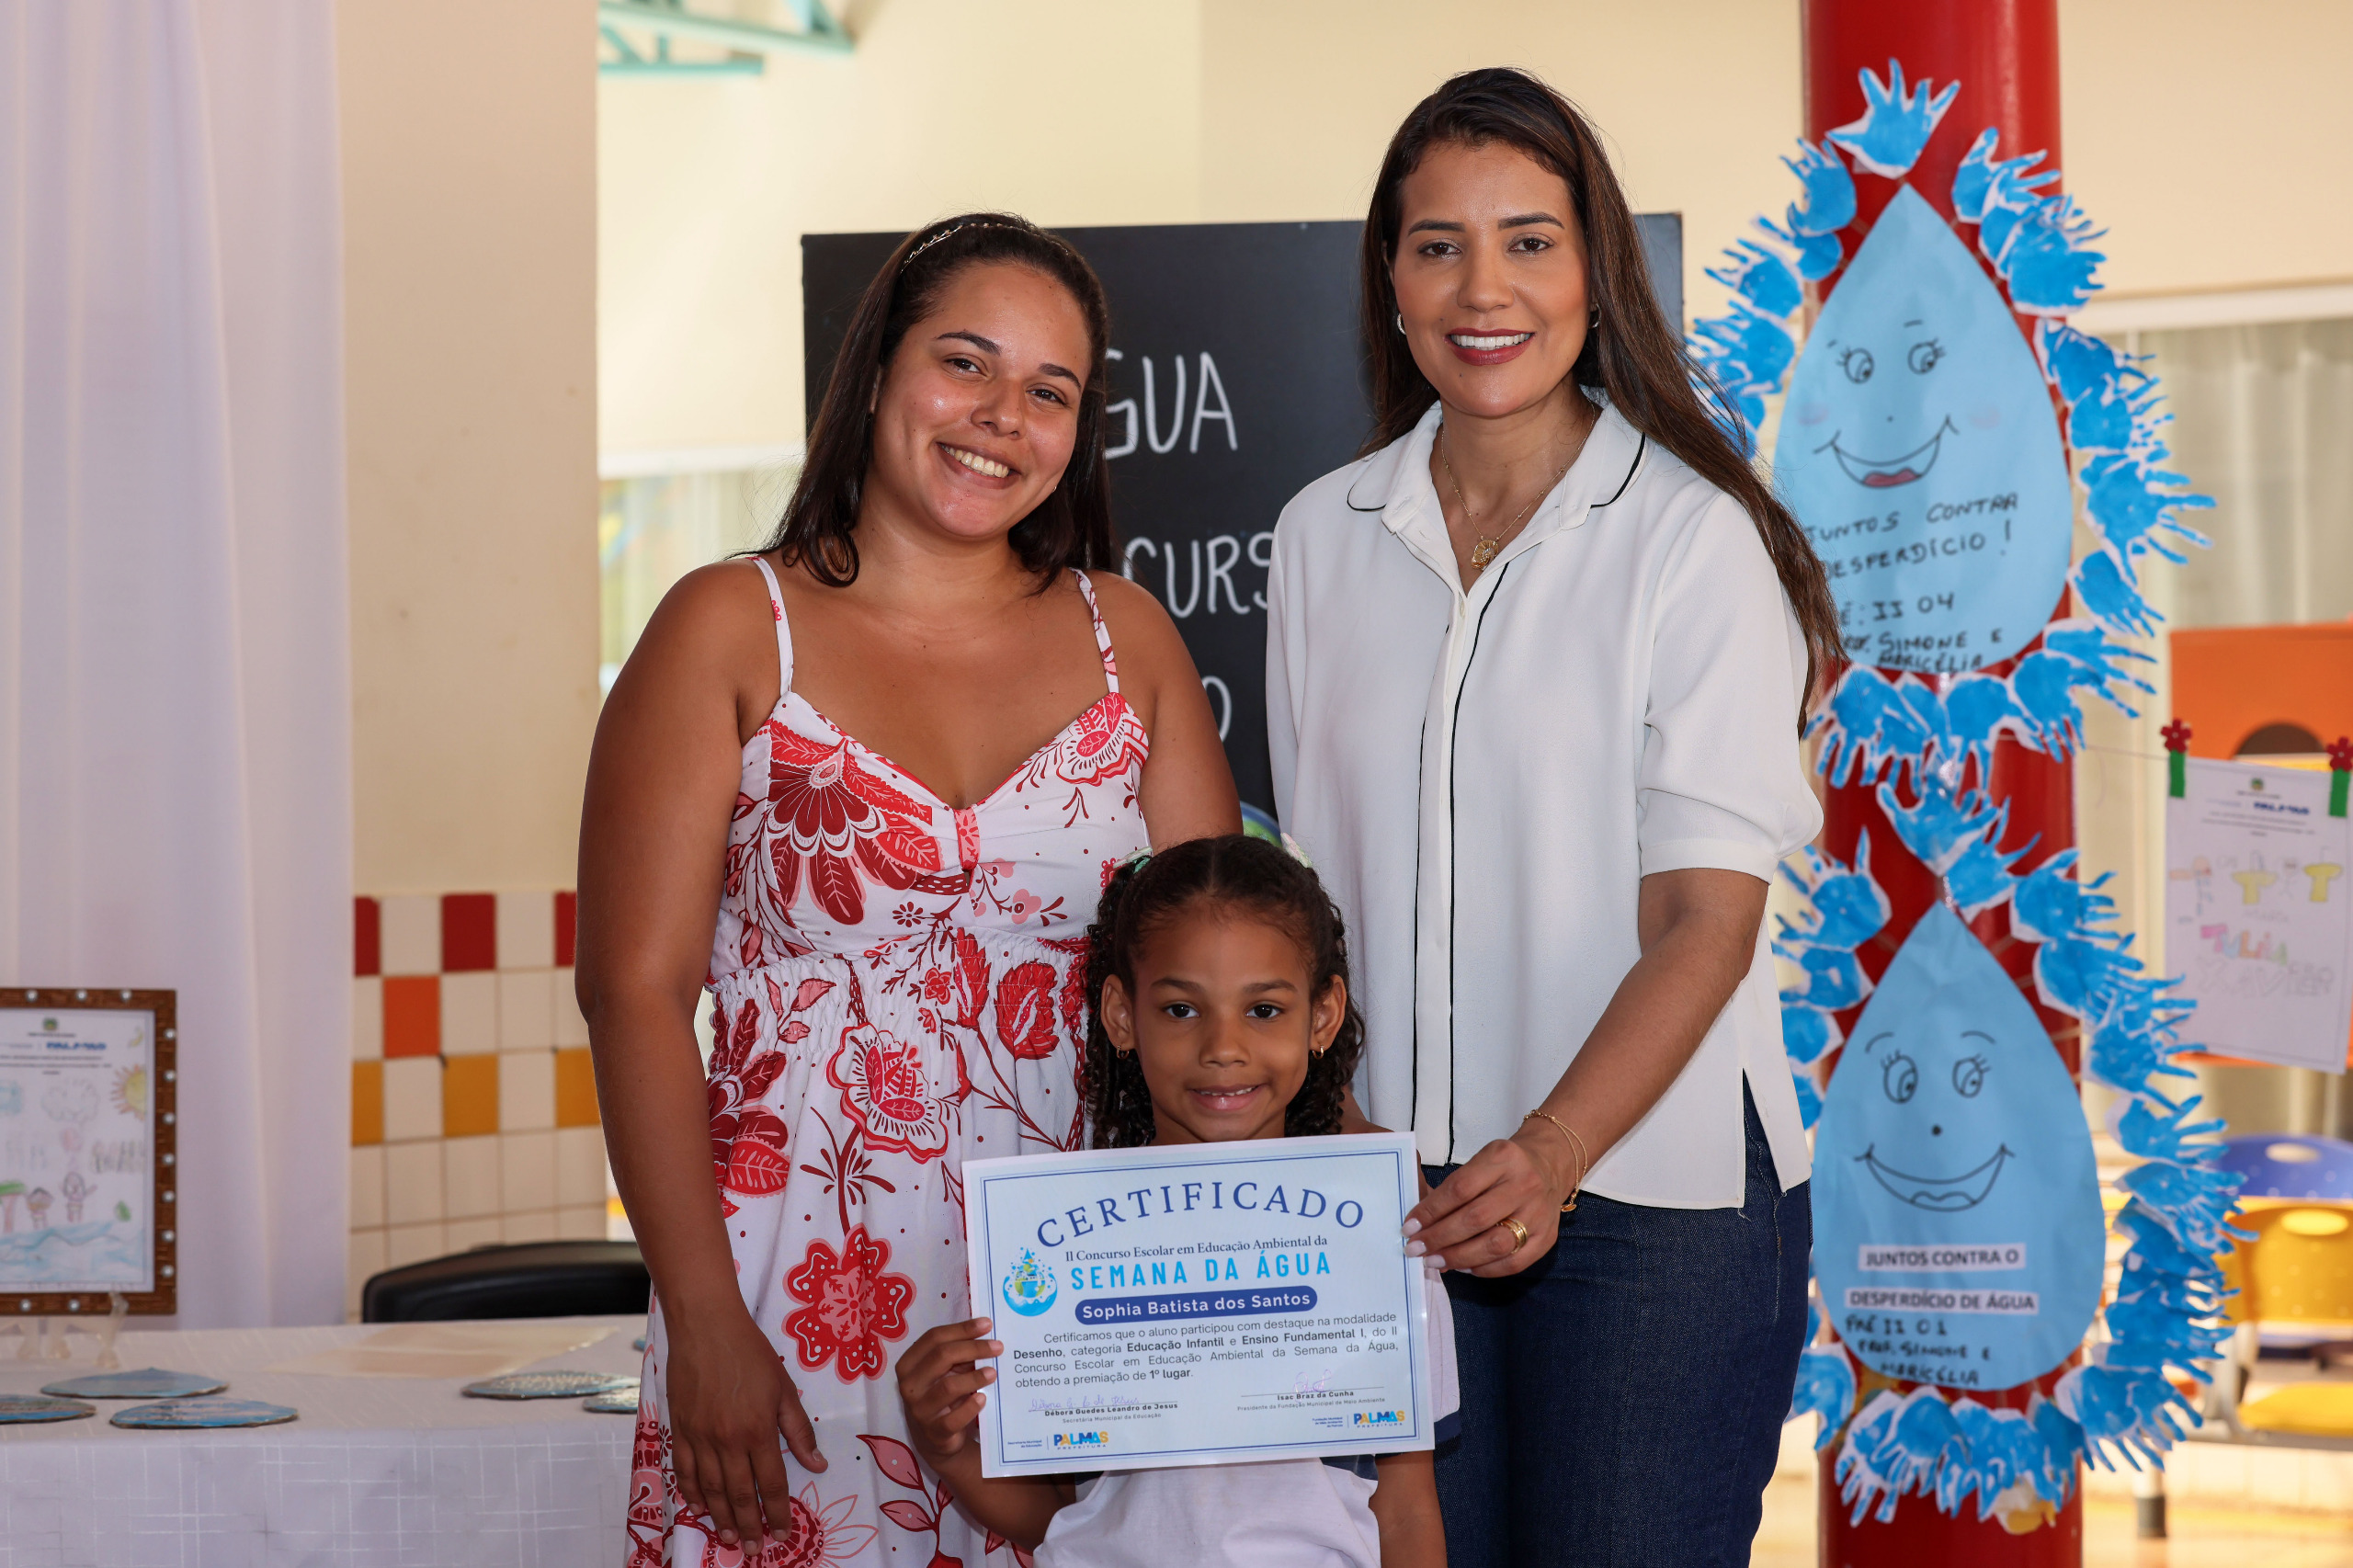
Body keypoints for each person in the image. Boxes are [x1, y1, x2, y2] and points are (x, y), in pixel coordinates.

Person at [577, 212, 1239, 1566]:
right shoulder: (725, 623)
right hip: (789, 1282)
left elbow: (1218, 980)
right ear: (877, 370)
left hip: (1082, 1292)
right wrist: (703, 1313)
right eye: (967, 363)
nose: (1003, 416)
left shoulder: (1133, 641)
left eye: (1050, 391)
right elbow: (632, 990)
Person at [1265, 69, 1845, 1566]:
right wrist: (1331, 1132)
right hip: (1391, 1206)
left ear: (1596, 270)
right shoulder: (1319, 540)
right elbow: (1311, 895)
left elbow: (1705, 919)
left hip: (1652, 1207)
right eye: (1436, 243)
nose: (1484, 287)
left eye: (1531, 240)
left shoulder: (1693, 539)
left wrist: (1557, 1145)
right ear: (1388, 277)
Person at [895, 835, 1456, 1567]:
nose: (1224, 1046)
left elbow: (1407, 1514)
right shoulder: (1050, 1242)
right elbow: (1061, 1516)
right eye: (1182, 1010)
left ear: (1322, 1017)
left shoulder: (1386, 1239)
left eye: (1263, 1010)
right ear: (1122, 1016)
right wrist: (948, 1448)